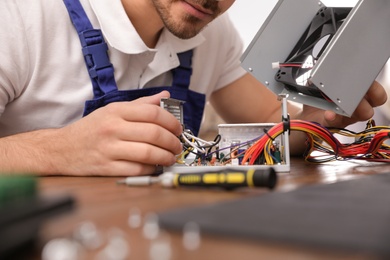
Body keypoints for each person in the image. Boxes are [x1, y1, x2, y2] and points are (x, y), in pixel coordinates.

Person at [0, 0, 386, 176]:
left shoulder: (211, 32)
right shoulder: (19, 16)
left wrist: (317, 120)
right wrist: (61, 151)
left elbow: (271, 124)